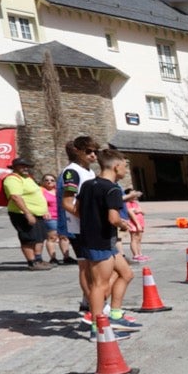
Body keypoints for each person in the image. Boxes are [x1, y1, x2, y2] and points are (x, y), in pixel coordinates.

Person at [76, 149, 140, 331]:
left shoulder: (88, 185)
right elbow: (113, 218)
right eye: (125, 167)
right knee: (99, 285)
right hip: (101, 241)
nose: (126, 171)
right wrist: (123, 224)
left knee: (127, 274)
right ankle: (99, 327)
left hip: (99, 239)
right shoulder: (112, 189)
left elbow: (78, 209)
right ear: (116, 166)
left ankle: (116, 314)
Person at [59, 135, 99, 317]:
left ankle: (87, 301)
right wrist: (87, 217)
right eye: (89, 151)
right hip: (78, 226)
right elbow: (67, 202)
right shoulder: (72, 172)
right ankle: (92, 305)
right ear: (78, 151)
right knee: (85, 266)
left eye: (95, 152)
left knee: (94, 266)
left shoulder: (89, 171)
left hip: (91, 227)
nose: (93, 155)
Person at [3, 158, 51, 269]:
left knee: (39, 237)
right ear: (14, 167)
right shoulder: (12, 179)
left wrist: (45, 209)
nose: (25, 168)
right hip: (21, 214)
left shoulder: (27, 178)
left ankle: (38, 260)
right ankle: (32, 262)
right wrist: (27, 213)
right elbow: (15, 196)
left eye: (27, 166)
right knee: (28, 238)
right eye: (22, 165)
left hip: (37, 214)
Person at [39, 172, 68, 264]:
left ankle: (66, 257)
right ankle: (53, 258)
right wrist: (44, 211)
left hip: (62, 216)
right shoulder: (40, 191)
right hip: (50, 217)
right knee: (52, 237)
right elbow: (38, 203)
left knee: (64, 237)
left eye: (52, 180)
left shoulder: (58, 190)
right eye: (46, 180)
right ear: (42, 182)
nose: (49, 182)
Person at [121, 181, 147, 261]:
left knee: (139, 239)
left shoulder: (135, 203)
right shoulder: (127, 203)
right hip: (134, 223)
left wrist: (139, 211)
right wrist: (137, 224)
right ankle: (135, 254)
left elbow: (143, 212)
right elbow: (131, 213)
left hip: (140, 222)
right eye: (133, 194)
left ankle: (140, 253)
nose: (135, 196)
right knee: (134, 239)